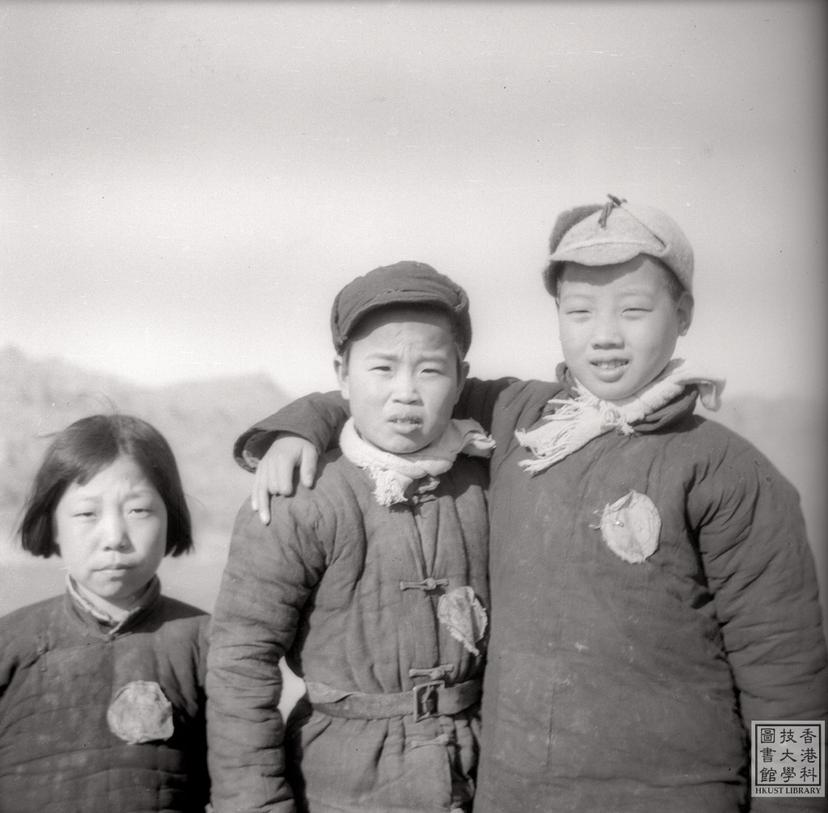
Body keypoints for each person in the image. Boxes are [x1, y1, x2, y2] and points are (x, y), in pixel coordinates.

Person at [231, 197, 828, 812]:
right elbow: (396, 395)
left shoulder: (727, 470)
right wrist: (298, 428)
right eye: (580, 311)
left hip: (677, 795)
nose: (605, 335)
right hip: (514, 794)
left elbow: (786, 670)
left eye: (634, 310)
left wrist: (795, 804)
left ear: (683, 313)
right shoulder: (520, 417)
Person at [206, 261, 493, 813]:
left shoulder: (487, 481)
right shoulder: (299, 494)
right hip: (339, 783)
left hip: (481, 771)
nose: (405, 392)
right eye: (381, 368)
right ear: (342, 374)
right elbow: (241, 661)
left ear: (461, 378)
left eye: (431, 371)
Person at [0, 414, 210, 812]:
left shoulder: (208, 644)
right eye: (86, 514)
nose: (115, 537)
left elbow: (246, 780)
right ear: (52, 525)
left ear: (172, 518)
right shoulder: (9, 644)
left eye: (139, 510)